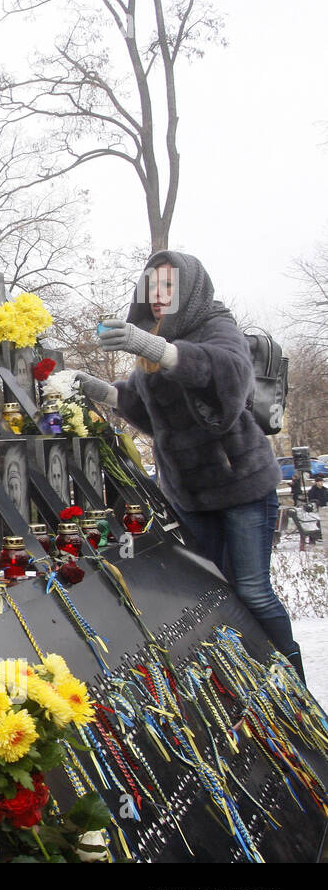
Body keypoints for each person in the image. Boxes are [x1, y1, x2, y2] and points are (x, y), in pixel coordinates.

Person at [76, 251, 304, 680]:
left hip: (241, 485)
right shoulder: (152, 335)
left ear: (191, 288)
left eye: (168, 286)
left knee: (252, 590)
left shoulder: (215, 325)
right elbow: (149, 413)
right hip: (190, 495)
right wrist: (102, 391)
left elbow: (232, 377)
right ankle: (249, 683)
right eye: (152, 287)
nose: (158, 296)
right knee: (213, 592)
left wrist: (158, 349)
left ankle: (294, 683)